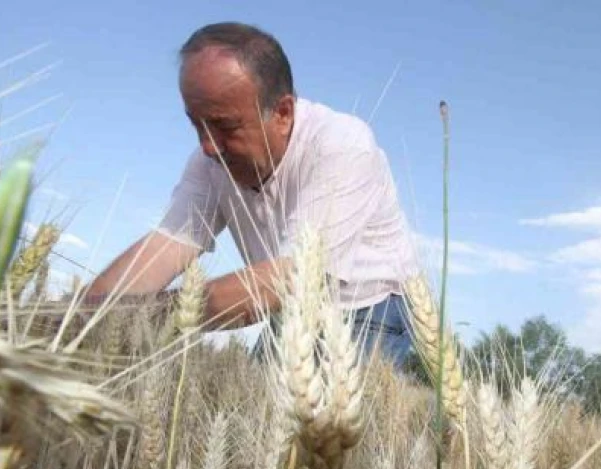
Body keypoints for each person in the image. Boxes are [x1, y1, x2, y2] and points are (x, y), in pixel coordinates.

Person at [82, 22, 422, 369]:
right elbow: (167, 246)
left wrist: (143, 316)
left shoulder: (342, 145)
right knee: (254, 402)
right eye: (195, 124)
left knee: (316, 420)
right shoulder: (208, 161)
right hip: (288, 303)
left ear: (283, 114)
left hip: (369, 307)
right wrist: (79, 317)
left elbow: (294, 276)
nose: (207, 145)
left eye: (226, 126)